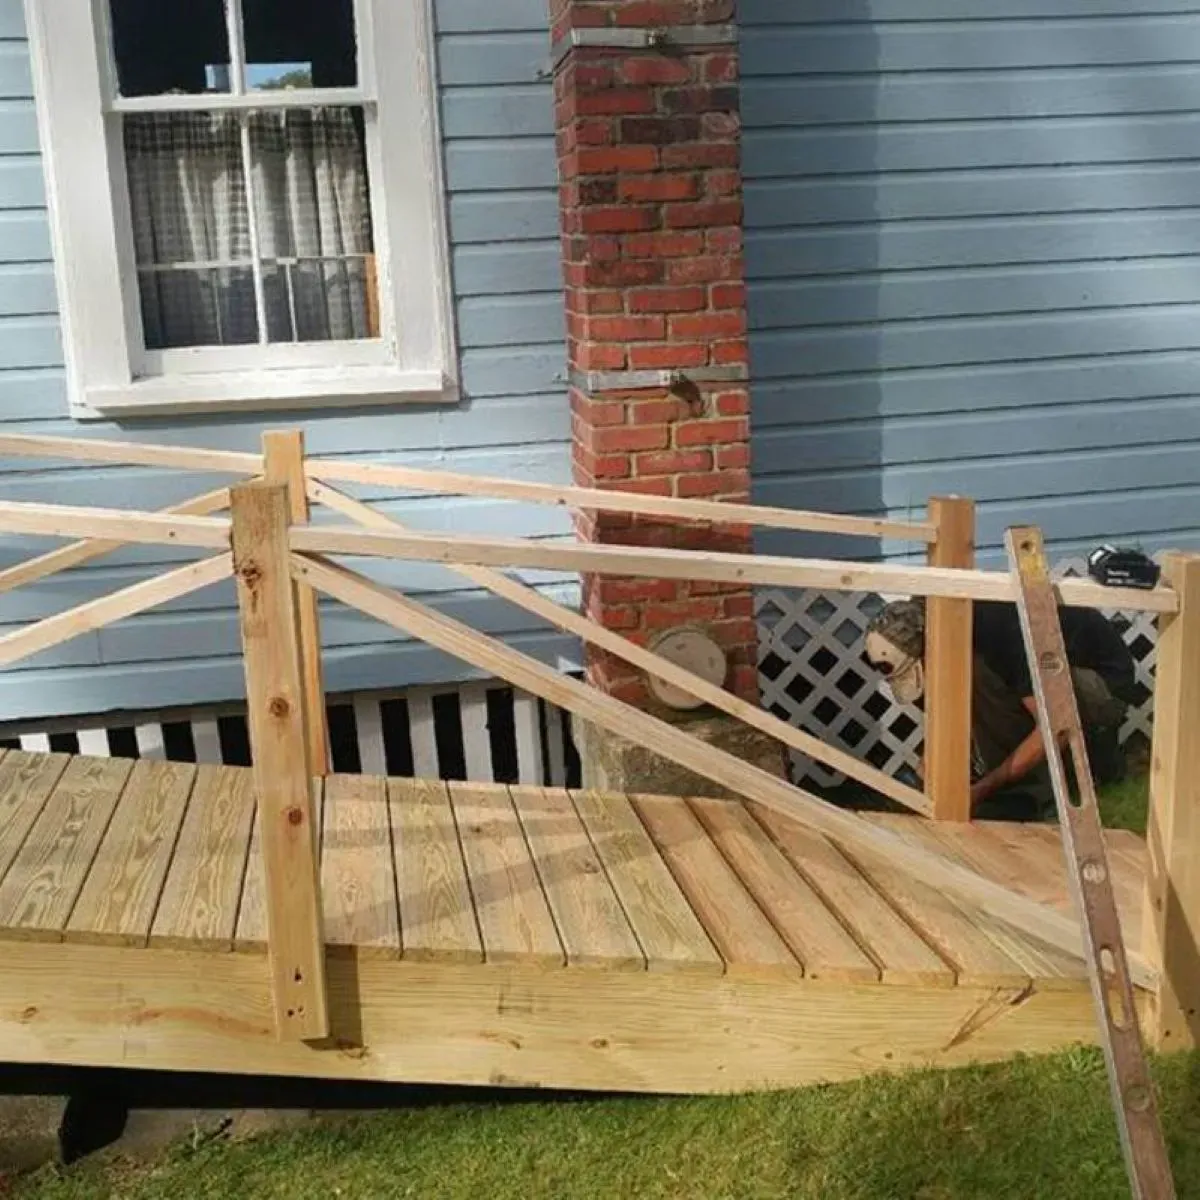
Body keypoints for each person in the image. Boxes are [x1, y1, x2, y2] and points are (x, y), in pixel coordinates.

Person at [862, 597, 1138, 821]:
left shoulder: (998, 636)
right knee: (973, 680)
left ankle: (1035, 794)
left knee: (979, 678)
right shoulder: (932, 622)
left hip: (1101, 683)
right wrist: (928, 771)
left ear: (931, 647)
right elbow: (944, 709)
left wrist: (986, 787)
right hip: (1033, 678)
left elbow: (1056, 725)